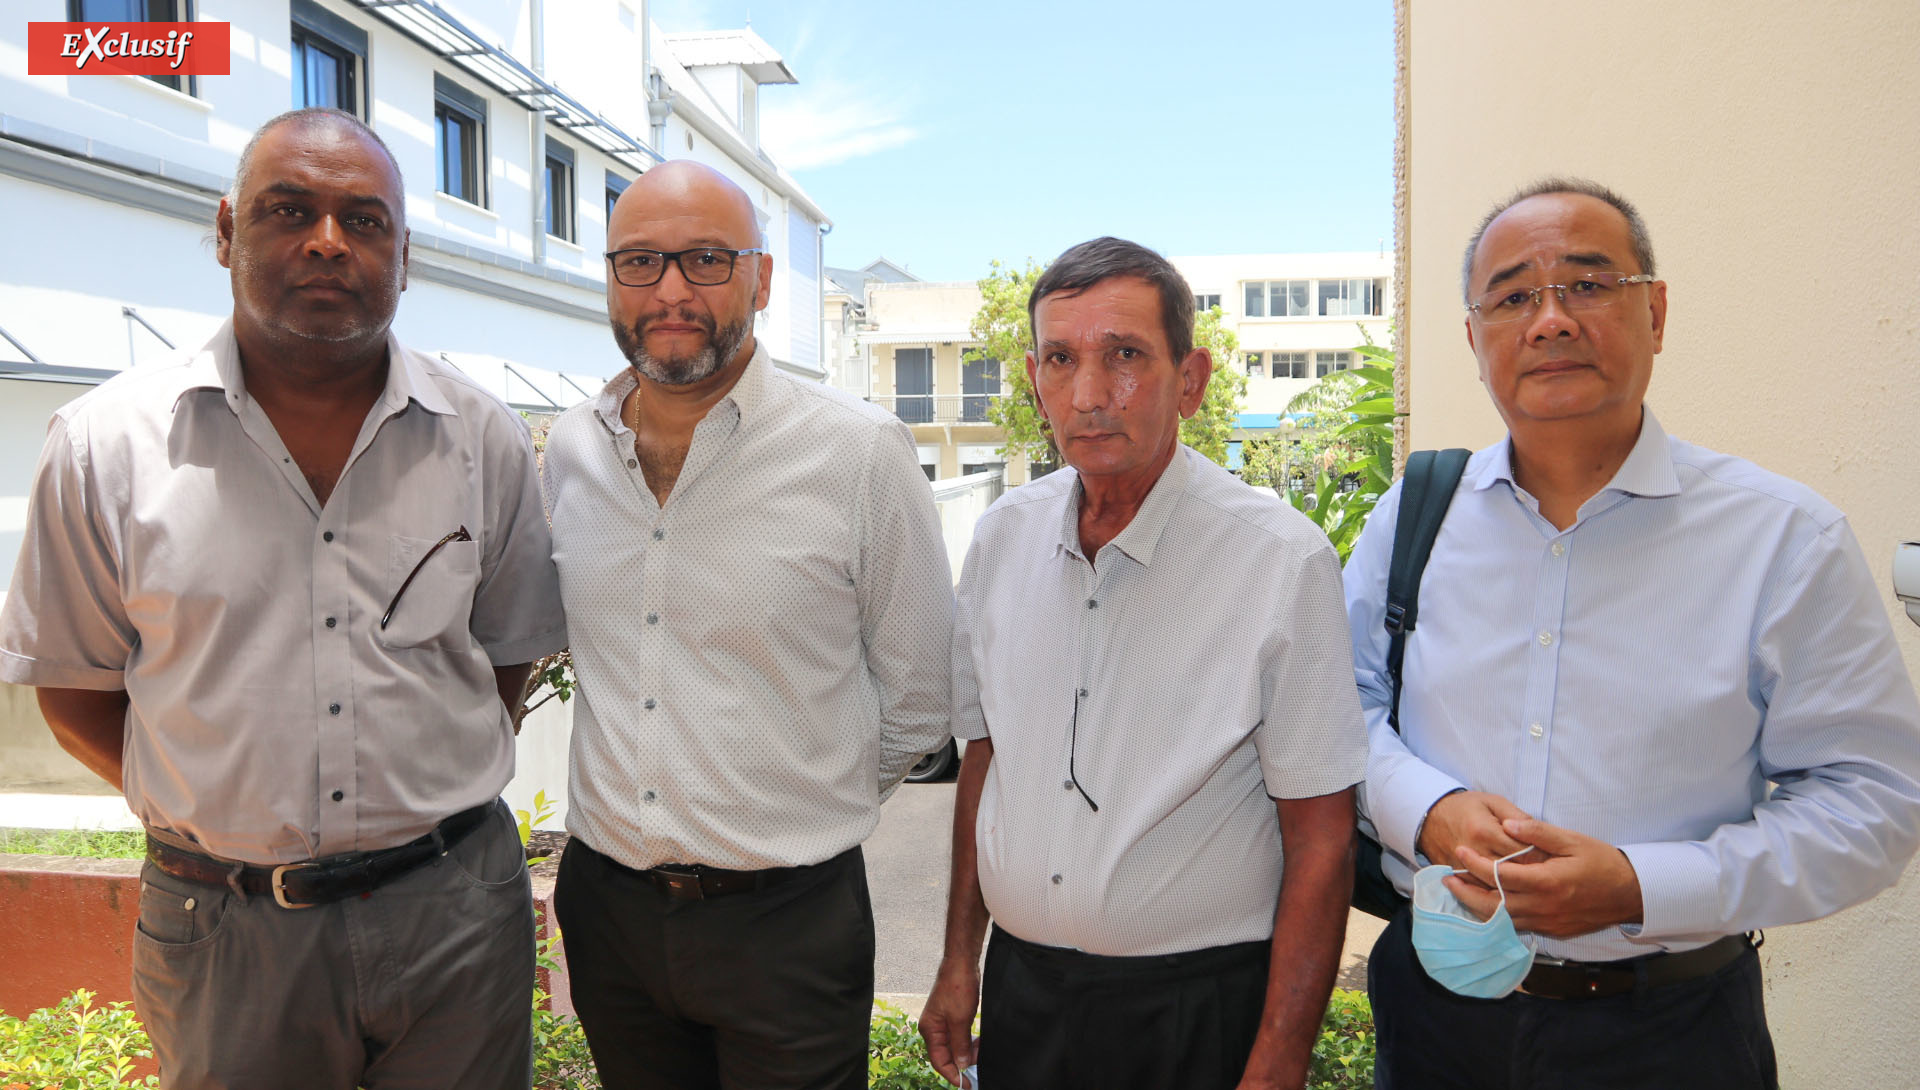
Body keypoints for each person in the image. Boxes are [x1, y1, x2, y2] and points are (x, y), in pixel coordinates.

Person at [0, 107, 566, 1088]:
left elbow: (504, 661)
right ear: (226, 232)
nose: (328, 242)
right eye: (289, 210)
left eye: (365, 220)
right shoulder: (104, 445)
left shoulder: (483, 439)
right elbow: (75, 691)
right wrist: (220, 801)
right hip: (225, 928)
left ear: (404, 256)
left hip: (455, 916)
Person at [1347, 178, 1920, 1089]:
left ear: (1654, 313)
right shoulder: (1415, 517)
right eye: (1512, 297)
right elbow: (1343, 707)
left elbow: (1875, 801)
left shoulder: (1783, 539)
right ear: (1475, 338)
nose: (1550, 321)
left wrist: (1642, 885)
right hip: (1437, 1020)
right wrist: (1427, 809)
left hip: (1673, 1033)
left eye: (1588, 284)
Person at [919, 237, 1368, 1090]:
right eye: (1061, 359)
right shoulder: (1002, 539)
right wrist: (957, 959)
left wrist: (1278, 1061)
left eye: (1124, 355)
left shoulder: (1279, 561)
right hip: (1023, 997)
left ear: (1190, 380)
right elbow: (986, 759)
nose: (1090, 395)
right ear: (1035, 378)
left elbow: (1322, 836)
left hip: (1195, 1014)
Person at [541, 159, 953, 1090]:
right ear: (609, 277)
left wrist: (794, 805)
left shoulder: (858, 453)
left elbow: (921, 701)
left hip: (789, 926)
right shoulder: (570, 448)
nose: (670, 291)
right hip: (609, 913)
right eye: (639, 261)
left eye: (706, 260)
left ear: (761, 280)